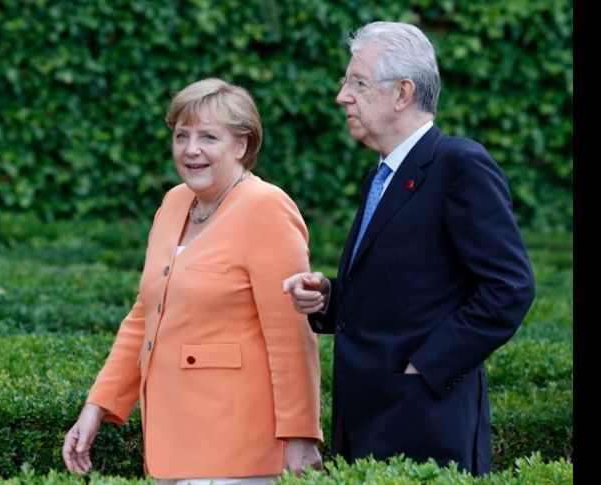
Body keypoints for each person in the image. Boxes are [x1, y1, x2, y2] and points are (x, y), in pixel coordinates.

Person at [282, 21, 535, 475]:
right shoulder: (380, 176)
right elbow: (406, 285)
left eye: (357, 82)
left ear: (402, 93)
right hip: (367, 421)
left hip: (425, 425)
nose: (342, 95)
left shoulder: (460, 164)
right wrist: (329, 296)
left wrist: (425, 368)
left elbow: (509, 288)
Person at [62, 78, 323, 484]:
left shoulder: (265, 207)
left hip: (240, 447)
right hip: (173, 442)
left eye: (208, 137)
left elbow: (292, 334)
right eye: (182, 135)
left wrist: (301, 434)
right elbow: (144, 316)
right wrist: (97, 405)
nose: (191, 149)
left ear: (242, 146)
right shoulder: (173, 203)